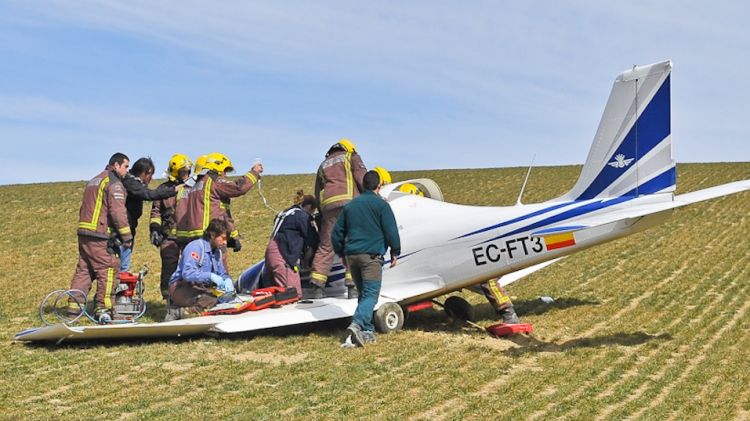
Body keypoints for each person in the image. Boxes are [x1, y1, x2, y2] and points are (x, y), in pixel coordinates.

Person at [332, 170, 401, 347]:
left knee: (363, 295)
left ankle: (367, 331)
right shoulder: (381, 205)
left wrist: (341, 252)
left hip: (352, 257)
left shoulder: (350, 206)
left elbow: (336, 233)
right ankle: (356, 324)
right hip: (371, 257)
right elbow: (391, 230)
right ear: (379, 186)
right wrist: (395, 251)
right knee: (371, 294)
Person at [68, 153, 133, 322]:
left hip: (85, 232)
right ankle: (104, 308)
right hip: (100, 234)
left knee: (85, 270)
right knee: (110, 267)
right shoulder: (114, 183)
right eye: (126, 166)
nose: (127, 170)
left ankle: (73, 308)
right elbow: (118, 212)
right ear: (116, 165)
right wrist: (126, 236)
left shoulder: (94, 180)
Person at [175, 152, 263, 273]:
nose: (225, 174)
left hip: (194, 239)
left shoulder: (195, 184)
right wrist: (254, 172)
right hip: (211, 238)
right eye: (225, 170)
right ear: (218, 166)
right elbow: (239, 187)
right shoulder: (213, 180)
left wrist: (232, 236)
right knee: (219, 273)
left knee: (198, 274)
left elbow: (221, 211)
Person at [310, 139, 368, 299]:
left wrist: (322, 212)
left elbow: (317, 192)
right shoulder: (351, 157)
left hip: (329, 208)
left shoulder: (323, 164)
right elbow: (362, 179)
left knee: (326, 246)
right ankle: (353, 287)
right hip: (350, 204)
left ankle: (317, 286)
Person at [165, 218, 235, 321]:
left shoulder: (217, 252)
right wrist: (210, 276)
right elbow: (187, 273)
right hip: (180, 286)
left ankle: (191, 310)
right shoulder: (196, 247)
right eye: (223, 238)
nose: (225, 243)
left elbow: (222, 273)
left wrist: (227, 280)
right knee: (209, 300)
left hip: (200, 287)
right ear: (212, 235)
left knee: (227, 298)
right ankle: (178, 312)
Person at [119, 157, 177, 272]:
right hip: (123, 231)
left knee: (123, 267)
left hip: (127, 229)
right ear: (147, 172)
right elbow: (149, 194)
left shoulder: (131, 182)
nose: (151, 178)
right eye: (151, 175)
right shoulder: (131, 182)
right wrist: (174, 190)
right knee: (122, 268)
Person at [149, 153, 193, 300]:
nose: (186, 174)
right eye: (183, 171)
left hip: (188, 236)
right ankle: (168, 297)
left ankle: (188, 296)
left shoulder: (192, 188)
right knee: (169, 267)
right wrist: (154, 229)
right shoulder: (164, 189)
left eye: (187, 171)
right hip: (168, 237)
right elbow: (156, 212)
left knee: (190, 266)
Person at [263, 191, 319, 297]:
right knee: (293, 294)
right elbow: (313, 239)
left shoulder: (285, 213)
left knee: (281, 295)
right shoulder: (301, 216)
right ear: (309, 206)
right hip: (283, 256)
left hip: (272, 251)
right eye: (312, 211)